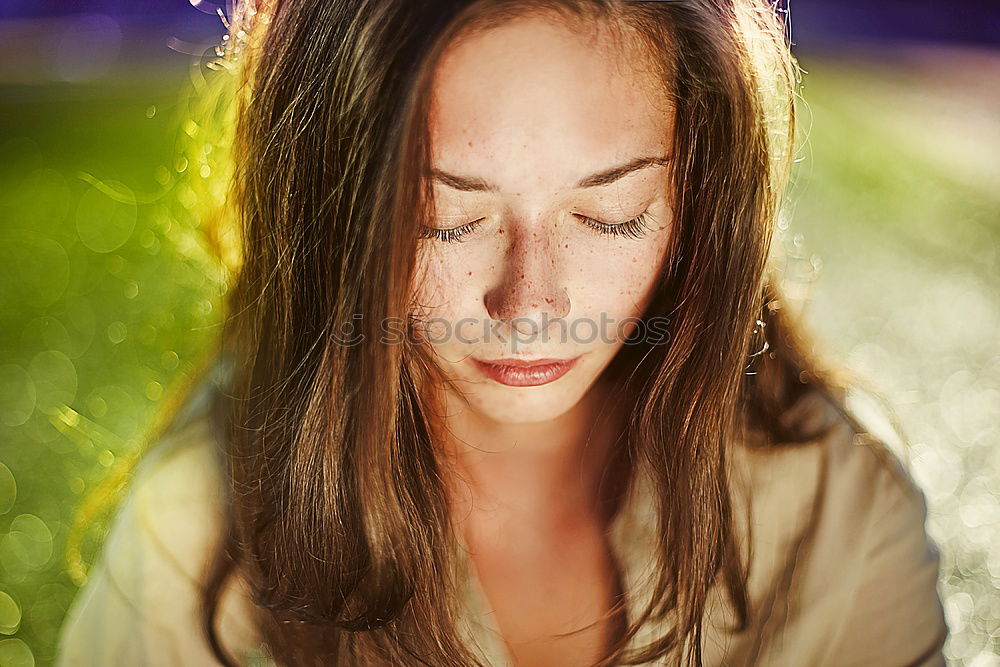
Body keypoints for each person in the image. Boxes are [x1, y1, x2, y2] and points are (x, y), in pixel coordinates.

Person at [55, 1, 949, 665]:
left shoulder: (837, 504)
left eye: (610, 214)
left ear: (700, 209)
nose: (529, 304)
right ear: (330, 217)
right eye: (445, 219)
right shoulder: (198, 535)